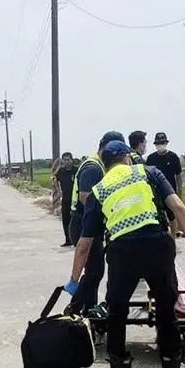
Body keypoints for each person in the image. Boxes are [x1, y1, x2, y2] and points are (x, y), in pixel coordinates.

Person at [65, 140, 185, 368]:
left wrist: (75, 280)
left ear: (105, 163)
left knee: (117, 311)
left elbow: (84, 244)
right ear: (127, 158)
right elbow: (178, 207)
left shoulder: (99, 190)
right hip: (157, 245)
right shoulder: (148, 172)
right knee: (166, 307)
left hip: (123, 253)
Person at [66, 131, 126, 318]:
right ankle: (82, 309)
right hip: (84, 223)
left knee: (94, 271)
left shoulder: (98, 165)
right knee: (94, 271)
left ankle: (81, 308)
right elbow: (85, 197)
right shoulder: (93, 168)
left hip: (87, 222)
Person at [145, 132, 183, 238]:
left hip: (170, 191)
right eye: (158, 143)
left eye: (162, 143)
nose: (160, 145)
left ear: (166, 143)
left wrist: (179, 192)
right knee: (158, 216)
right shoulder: (151, 158)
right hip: (156, 192)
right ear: (155, 145)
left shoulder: (173, 157)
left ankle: (173, 239)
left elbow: (179, 175)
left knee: (172, 216)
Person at [54, 152, 77, 247]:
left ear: (72, 160)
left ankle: (76, 240)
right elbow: (54, 179)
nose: (66, 162)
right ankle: (68, 240)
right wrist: (58, 191)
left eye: (68, 160)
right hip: (66, 199)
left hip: (75, 200)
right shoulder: (61, 171)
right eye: (64, 160)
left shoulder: (76, 170)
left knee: (75, 220)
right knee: (65, 220)